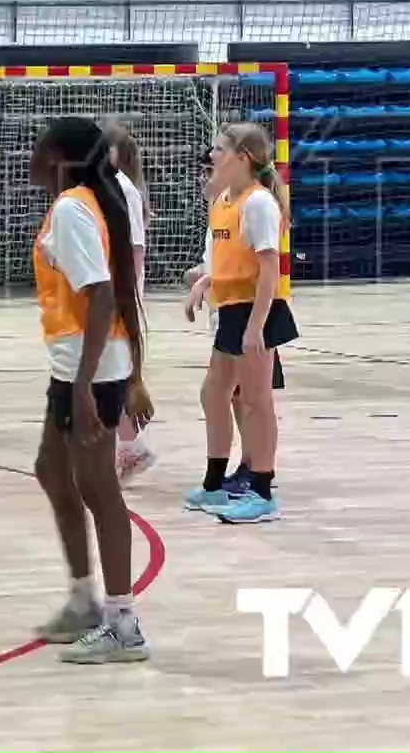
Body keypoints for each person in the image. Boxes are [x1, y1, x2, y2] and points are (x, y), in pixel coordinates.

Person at [26, 118, 149, 664]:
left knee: (100, 490)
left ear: (58, 157)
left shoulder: (75, 208)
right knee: (52, 470)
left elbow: (103, 298)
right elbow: (124, 292)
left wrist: (85, 387)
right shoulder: (85, 203)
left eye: (38, 146)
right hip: (79, 365)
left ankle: (124, 623)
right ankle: (83, 601)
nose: (29, 154)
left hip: (89, 370)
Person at [183, 123, 297, 524]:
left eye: (218, 149)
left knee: (256, 401)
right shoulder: (223, 202)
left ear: (243, 157)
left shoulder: (259, 203)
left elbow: (269, 270)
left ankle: (263, 492)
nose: (211, 155)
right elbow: (229, 261)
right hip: (232, 309)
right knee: (214, 394)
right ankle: (215, 484)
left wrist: (256, 327)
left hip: (257, 310)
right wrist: (204, 284)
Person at [102, 120, 158, 483]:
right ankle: (127, 449)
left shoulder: (122, 190)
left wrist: (121, 292)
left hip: (116, 296)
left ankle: (129, 449)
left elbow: (135, 250)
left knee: (107, 376)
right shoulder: (104, 188)